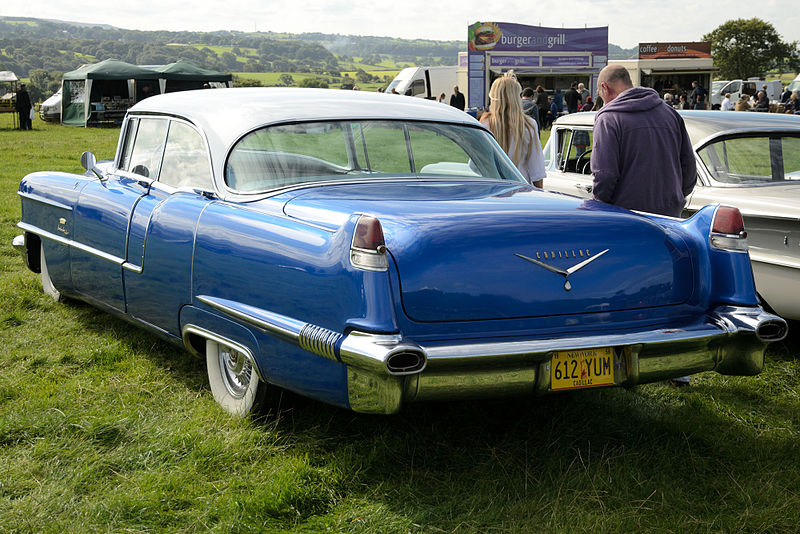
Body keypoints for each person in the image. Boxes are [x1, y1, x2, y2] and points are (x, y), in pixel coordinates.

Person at [592, 65, 696, 386]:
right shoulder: (670, 114)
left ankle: (623, 363)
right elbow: (688, 167)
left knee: (623, 290)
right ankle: (677, 366)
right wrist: (676, 196)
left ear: (606, 89)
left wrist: (599, 207)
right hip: (668, 216)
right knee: (669, 288)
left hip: (625, 219)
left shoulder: (609, 118)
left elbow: (605, 175)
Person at [479, 76, 546, 188]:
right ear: (516, 98)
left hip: (491, 191)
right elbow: (537, 170)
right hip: (521, 192)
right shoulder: (529, 125)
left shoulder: (485, 125)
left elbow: (475, 166)